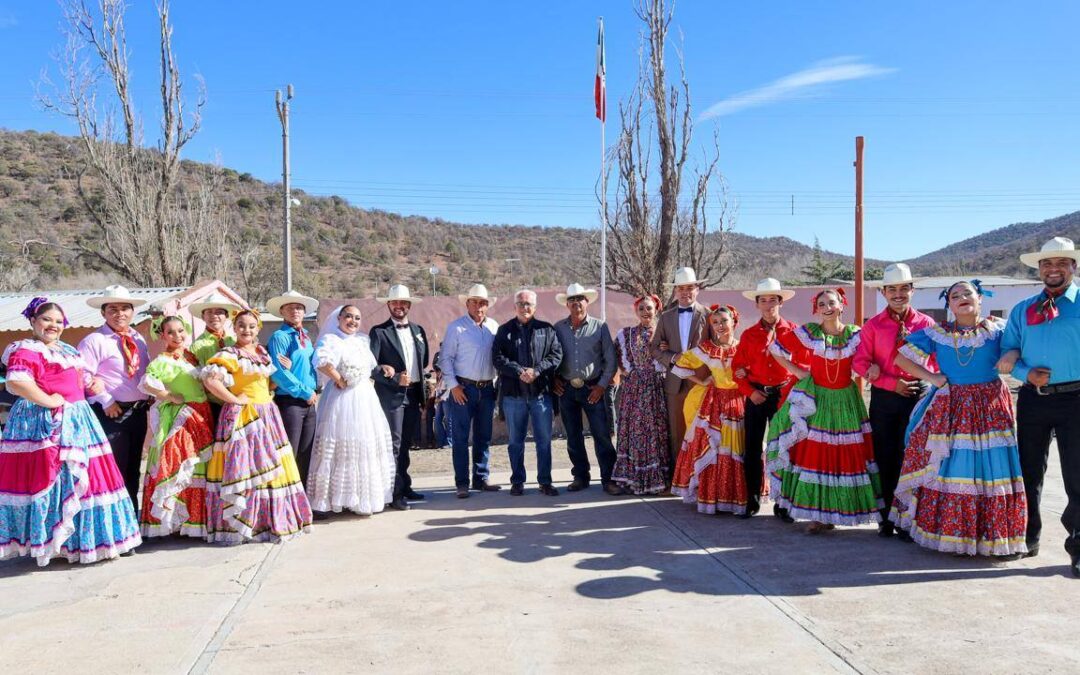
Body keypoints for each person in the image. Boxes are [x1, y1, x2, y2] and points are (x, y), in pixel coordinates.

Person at [890, 280, 1027, 557]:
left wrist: (1010, 354)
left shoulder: (998, 328)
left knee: (992, 466)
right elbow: (901, 360)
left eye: (968, 293)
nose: (962, 298)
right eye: (955, 296)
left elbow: (1018, 347)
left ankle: (990, 536)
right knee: (951, 466)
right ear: (949, 305)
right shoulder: (937, 333)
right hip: (950, 406)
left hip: (989, 405)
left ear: (980, 299)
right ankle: (950, 533)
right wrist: (932, 378)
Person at [0, 298, 141, 565]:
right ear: (32, 321)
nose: (53, 325)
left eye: (58, 321)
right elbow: (17, 382)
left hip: (78, 418)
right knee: (57, 480)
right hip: (47, 423)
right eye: (46, 320)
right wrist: (48, 400)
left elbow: (81, 378)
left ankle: (82, 542)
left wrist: (94, 384)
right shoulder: (26, 349)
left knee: (88, 479)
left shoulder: (66, 349)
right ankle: (58, 543)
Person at [766, 288, 882, 533]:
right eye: (822, 303)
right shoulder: (810, 332)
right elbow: (776, 349)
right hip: (816, 399)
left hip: (846, 400)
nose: (827, 307)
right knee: (817, 454)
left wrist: (872, 367)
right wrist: (797, 372)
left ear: (842, 305)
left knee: (844, 456)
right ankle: (819, 516)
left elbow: (869, 357)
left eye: (832, 302)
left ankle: (839, 511)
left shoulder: (855, 334)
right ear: (816, 309)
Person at [1001, 236, 1080, 577]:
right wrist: (1025, 373)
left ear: (1073, 267)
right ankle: (1028, 536)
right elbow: (1008, 351)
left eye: (1061, 263)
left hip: (1077, 399)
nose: (1053, 269)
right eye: (1047, 264)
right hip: (1033, 400)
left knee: (1077, 477)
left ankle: (1078, 546)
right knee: (1029, 471)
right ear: (1039, 269)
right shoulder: (1022, 310)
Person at [201, 309, 313, 544]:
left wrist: (287, 366)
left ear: (258, 329)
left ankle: (267, 521)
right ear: (234, 327)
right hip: (244, 417)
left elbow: (270, 382)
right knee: (247, 467)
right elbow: (210, 379)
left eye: (252, 326)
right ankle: (246, 524)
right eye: (241, 325)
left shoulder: (262, 353)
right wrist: (234, 399)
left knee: (270, 468)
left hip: (267, 414)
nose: (247, 330)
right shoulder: (230, 354)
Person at [853, 263, 938, 539]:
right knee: (886, 457)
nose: (898, 294)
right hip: (885, 399)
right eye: (892, 289)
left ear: (912, 290)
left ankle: (911, 517)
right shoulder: (873, 326)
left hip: (919, 398)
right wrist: (887, 381)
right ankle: (887, 517)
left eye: (904, 288)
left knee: (914, 458)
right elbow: (860, 360)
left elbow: (937, 359)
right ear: (883, 291)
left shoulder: (926, 324)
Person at [307, 305, 396, 516]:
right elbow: (321, 361)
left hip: (365, 397)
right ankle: (335, 498)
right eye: (348, 316)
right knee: (341, 444)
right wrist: (339, 379)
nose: (353, 321)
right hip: (341, 399)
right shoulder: (331, 339)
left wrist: (384, 367)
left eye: (357, 317)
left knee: (363, 443)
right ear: (339, 318)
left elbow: (370, 367)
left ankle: (361, 498)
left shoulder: (363, 340)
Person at [137, 316, 214, 538]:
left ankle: (192, 522)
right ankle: (172, 522)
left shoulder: (189, 357)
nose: (177, 336)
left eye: (181, 331)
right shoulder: (161, 361)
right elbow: (147, 383)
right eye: (171, 332)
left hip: (201, 414)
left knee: (196, 465)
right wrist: (169, 396)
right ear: (162, 336)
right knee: (181, 465)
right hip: (182, 417)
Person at [78, 284, 152, 513]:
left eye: (124, 308)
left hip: (138, 412)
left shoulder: (137, 338)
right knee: (114, 469)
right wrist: (106, 399)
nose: (119, 313)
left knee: (132, 468)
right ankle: (116, 524)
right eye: (113, 309)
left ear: (132, 311)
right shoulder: (94, 341)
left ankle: (131, 521)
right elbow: (81, 374)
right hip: (112, 413)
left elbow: (143, 371)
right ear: (103, 312)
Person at [731, 278, 801, 519]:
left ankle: (784, 503)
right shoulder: (749, 335)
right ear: (757, 304)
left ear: (780, 302)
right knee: (752, 448)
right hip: (756, 396)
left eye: (773, 299)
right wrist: (750, 391)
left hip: (784, 397)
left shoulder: (793, 331)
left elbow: (801, 364)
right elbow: (736, 368)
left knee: (784, 448)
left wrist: (790, 389)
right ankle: (751, 500)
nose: (768, 304)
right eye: (764, 300)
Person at [670, 305, 748, 514]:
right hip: (714, 403)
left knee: (735, 449)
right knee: (714, 448)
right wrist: (702, 381)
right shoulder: (707, 348)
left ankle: (734, 496)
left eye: (724, 321)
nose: (720, 326)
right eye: (715, 322)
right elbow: (680, 364)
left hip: (738, 403)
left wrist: (746, 375)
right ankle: (713, 495)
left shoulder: (744, 347)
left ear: (733, 321)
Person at [493, 289, 563, 496]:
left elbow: (556, 355)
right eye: (521, 304)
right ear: (514, 306)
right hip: (513, 396)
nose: (525, 307)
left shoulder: (547, 329)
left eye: (529, 304)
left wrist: (538, 370)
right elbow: (497, 358)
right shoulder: (504, 330)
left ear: (535, 307)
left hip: (541, 395)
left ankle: (545, 481)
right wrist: (519, 371)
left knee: (544, 441)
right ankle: (517, 481)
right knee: (515, 442)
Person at [552, 283, 618, 494]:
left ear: (586, 302)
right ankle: (580, 476)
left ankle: (609, 478)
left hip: (593, 389)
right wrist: (553, 380)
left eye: (579, 299)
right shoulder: (558, 328)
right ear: (567, 304)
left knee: (601, 434)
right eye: (571, 300)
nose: (576, 303)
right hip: (567, 390)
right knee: (573, 435)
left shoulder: (600, 327)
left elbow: (610, 360)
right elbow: (551, 356)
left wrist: (601, 386)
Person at [369, 284, 429, 510]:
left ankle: (405, 486)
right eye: (395, 303)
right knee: (393, 445)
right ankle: (393, 492)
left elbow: (423, 363)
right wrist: (394, 380)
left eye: (403, 303)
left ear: (409, 305)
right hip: (392, 396)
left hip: (414, 394)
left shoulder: (418, 330)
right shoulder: (378, 332)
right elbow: (371, 367)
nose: (399, 306)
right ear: (388, 305)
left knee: (406, 444)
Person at [440, 284, 501, 498]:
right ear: (467, 304)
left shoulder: (494, 326)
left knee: (483, 436)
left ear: (487, 305)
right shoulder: (456, 328)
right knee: (460, 437)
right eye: (474, 302)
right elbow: (445, 359)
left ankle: (481, 478)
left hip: (486, 389)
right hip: (463, 388)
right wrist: (454, 386)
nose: (478, 306)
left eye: (482, 302)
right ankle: (462, 483)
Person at [651, 267, 710, 485]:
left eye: (690, 288)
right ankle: (680, 480)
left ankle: (703, 479)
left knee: (702, 430)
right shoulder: (665, 318)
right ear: (675, 291)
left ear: (697, 289)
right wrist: (674, 358)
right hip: (675, 383)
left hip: (701, 383)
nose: (685, 292)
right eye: (681, 288)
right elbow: (655, 349)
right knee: (677, 432)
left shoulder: (709, 315)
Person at [611, 295, 669, 495]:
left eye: (649, 308)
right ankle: (632, 477)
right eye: (642, 308)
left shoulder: (664, 334)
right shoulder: (626, 334)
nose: (646, 312)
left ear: (656, 310)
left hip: (655, 387)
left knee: (654, 429)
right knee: (634, 429)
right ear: (636, 311)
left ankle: (656, 478)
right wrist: (625, 371)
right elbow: (614, 354)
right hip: (633, 389)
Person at [266, 290, 320, 484]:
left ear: (304, 312)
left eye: (299, 307)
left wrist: (313, 389)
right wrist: (305, 391)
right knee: (290, 453)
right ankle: (287, 500)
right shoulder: (279, 337)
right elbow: (278, 372)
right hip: (291, 401)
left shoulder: (305, 337)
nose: (295, 311)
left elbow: (305, 367)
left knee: (306, 454)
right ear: (282, 311)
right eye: (290, 308)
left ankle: (303, 500)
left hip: (309, 400)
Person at [189, 291, 243, 366]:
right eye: (209, 312)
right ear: (203, 317)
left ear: (226, 315)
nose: (214, 316)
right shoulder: (197, 346)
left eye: (219, 312)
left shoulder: (234, 342)